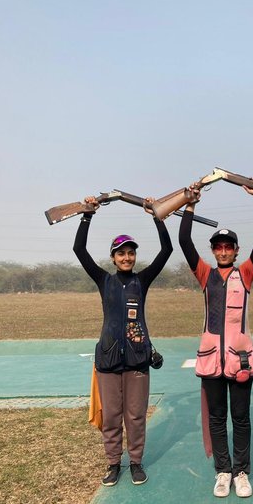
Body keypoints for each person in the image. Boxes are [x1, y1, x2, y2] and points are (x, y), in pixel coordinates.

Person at [178, 183, 253, 498]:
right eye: (218, 246)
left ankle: (241, 472)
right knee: (217, 417)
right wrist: (189, 205)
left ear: (235, 249)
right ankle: (223, 470)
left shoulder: (245, 273)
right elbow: (183, 241)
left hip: (240, 358)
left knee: (241, 418)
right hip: (210, 359)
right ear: (213, 250)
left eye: (228, 246)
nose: (222, 250)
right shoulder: (204, 274)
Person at [73, 196, 172, 487]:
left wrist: (157, 215)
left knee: (136, 416)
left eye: (130, 253)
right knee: (113, 416)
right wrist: (87, 215)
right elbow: (79, 249)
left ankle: (136, 463)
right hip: (108, 359)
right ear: (113, 257)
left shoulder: (142, 280)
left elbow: (167, 250)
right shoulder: (104, 280)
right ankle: (114, 464)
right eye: (121, 253)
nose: (127, 257)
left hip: (138, 358)